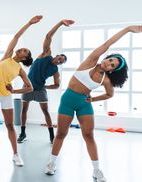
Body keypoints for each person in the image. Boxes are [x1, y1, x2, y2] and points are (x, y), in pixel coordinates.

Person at [44, 25, 142, 182]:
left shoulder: (106, 79)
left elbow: (110, 94)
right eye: (110, 60)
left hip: (84, 104)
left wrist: (93, 99)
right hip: (68, 100)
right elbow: (107, 43)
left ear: (112, 71)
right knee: (61, 134)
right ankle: (51, 163)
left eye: (112, 65)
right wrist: (128, 29)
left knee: (89, 135)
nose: (108, 63)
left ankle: (96, 170)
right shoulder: (91, 60)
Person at [0, 15, 43, 167]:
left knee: (10, 126)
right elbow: (17, 36)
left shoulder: (19, 69)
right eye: (22, 48)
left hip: (6, 97)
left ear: (25, 57)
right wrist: (29, 23)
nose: (21, 49)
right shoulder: (7, 56)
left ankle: (15, 154)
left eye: (24, 51)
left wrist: (14, 91)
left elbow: (30, 87)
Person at [18, 19, 74, 144]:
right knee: (24, 110)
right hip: (27, 86)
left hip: (39, 89)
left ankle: (51, 136)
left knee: (46, 112)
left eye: (62, 61)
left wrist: (46, 87)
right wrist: (60, 23)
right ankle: (22, 133)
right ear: (57, 55)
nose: (60, 60)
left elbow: (57, 85)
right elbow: (48, 36)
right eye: (60, 58)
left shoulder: (55, 71)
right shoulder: (45, 54)